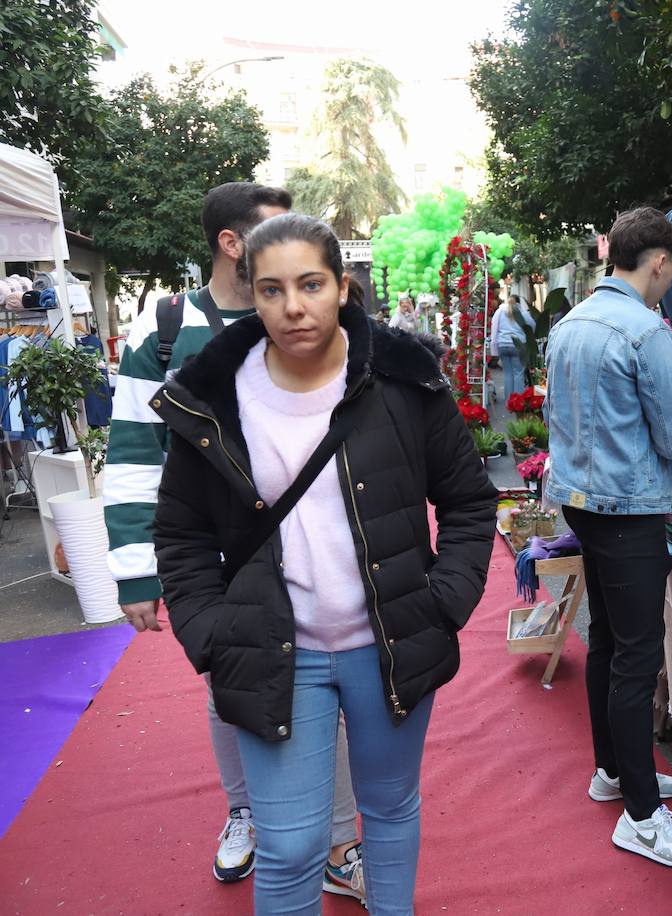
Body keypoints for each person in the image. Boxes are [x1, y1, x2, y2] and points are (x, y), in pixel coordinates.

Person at [153, 213, 497, 914]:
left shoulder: (404, 380)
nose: (293, 307)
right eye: (272, 289)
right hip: (275, 651)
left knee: (391, 809)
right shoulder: (213, 396)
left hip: (392, 640)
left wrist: (443, 603)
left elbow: (468, 503)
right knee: (288, 848)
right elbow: (181, 534)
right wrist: (211, 635)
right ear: (250, 293)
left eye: (310, 284)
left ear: (342, 287)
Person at [103, 182, 368, 901]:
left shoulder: (305, 316)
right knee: (234, 688)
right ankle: (247, 810)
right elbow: (130, 450)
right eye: (272, 230)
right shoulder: (163, 330)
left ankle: (342, 840)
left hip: (318, 549)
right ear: (233, 245)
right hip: (219, 555)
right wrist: (134, 571)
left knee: (330, 682)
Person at [544, 206, 672, 869]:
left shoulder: (570, 322)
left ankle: (616, 771)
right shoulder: (645, 331)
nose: (670, 282)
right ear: (658, 262)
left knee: (609, 643)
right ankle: (641, 816)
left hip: (581, 502)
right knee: (635, 657)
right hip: (627, 509)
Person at [494, 295, 529, 397]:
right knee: (518, 373)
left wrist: (494, 347)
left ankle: (508, 401)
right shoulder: (522, 312)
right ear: (519, 303)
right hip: (518, 344)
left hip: (502, 344)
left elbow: (494, 328)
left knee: (507, 373)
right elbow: (532, 325)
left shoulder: (500, 311)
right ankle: (518, 401)